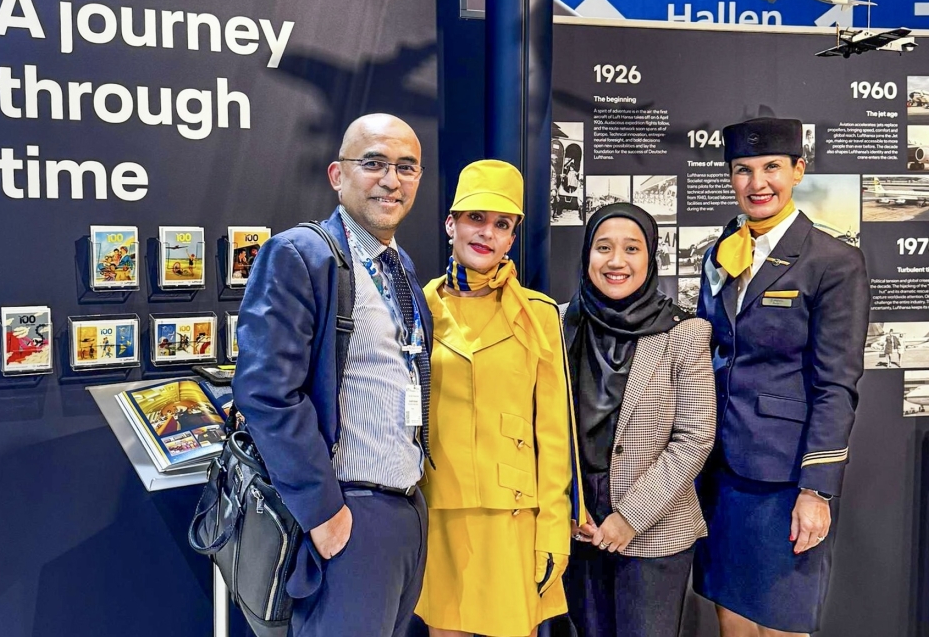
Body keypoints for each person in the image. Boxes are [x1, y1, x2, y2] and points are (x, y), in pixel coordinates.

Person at [232, 113, 432, 637]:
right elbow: (266, 392)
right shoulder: (301, 255)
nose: (391, 179)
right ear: (336, 175)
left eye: (406, 167)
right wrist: (324, 515)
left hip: (405, 512)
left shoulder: (400, 267)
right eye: (374, 163)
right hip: (348, 517)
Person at [693, 118, 870, 636]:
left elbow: (836, 385)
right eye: (743, 171)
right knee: (732, 619)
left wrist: (817, 490)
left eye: (772, 167)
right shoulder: (721, 253)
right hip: (721, 473)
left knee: (782, 624)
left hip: (784, 479)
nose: (757, 183)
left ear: (798, 169)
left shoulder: (834, 262)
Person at [415, 160, 580, 637]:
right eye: (476, 218)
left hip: (514, 521)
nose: (487, 233)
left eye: (501, 224)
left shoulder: (538, 315)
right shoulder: (418, 309)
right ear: (451, 224)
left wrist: (553, 529)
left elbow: (554, 433)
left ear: (512, 238)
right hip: (440, 514)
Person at [562, 203, 716, 637]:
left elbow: (695, 437)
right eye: (603, 247)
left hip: (654, 534)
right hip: (577, 531)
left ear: (650, 257)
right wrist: (567, 508)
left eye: (631, 248)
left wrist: (630, 516)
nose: (616, 261)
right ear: (586, 255)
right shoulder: (557, 324)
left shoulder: (683, 333)